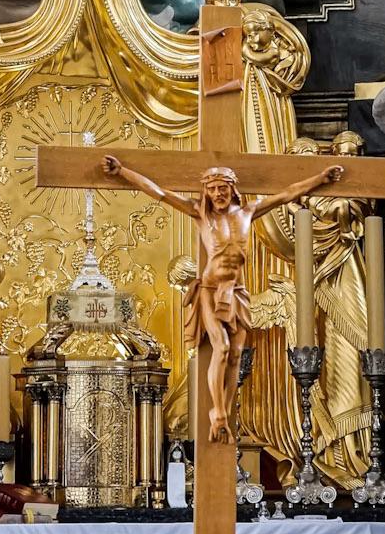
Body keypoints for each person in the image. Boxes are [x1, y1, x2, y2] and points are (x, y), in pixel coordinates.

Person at [101, 153, 343, 439]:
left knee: (237, 354)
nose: (217, 193)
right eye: (212, 188)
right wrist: (122, 171)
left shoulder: (247, 213)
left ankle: (225, 413)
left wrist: (320, 179)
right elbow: (159, 192)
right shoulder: (200, 214)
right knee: (222, 349)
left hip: (237, 292)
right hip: (210, 291)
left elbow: (286, 195)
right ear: (206, 191)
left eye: (222, 188)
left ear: (232, 189)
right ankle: (217, 412)